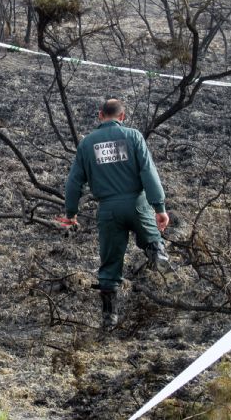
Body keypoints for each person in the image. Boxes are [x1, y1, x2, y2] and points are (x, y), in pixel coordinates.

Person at [59, 99, 170, 329]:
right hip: (137, 203)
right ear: (123, 116)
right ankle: (156, 249)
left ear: (100, 115)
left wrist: (71, 212)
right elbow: (149, 172)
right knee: (151, 236)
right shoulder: (134, 137)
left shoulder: (87, 143)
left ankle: (109, 317)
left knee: (110, 266)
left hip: (108, 210)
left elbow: (73, 183)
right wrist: (159, 208)